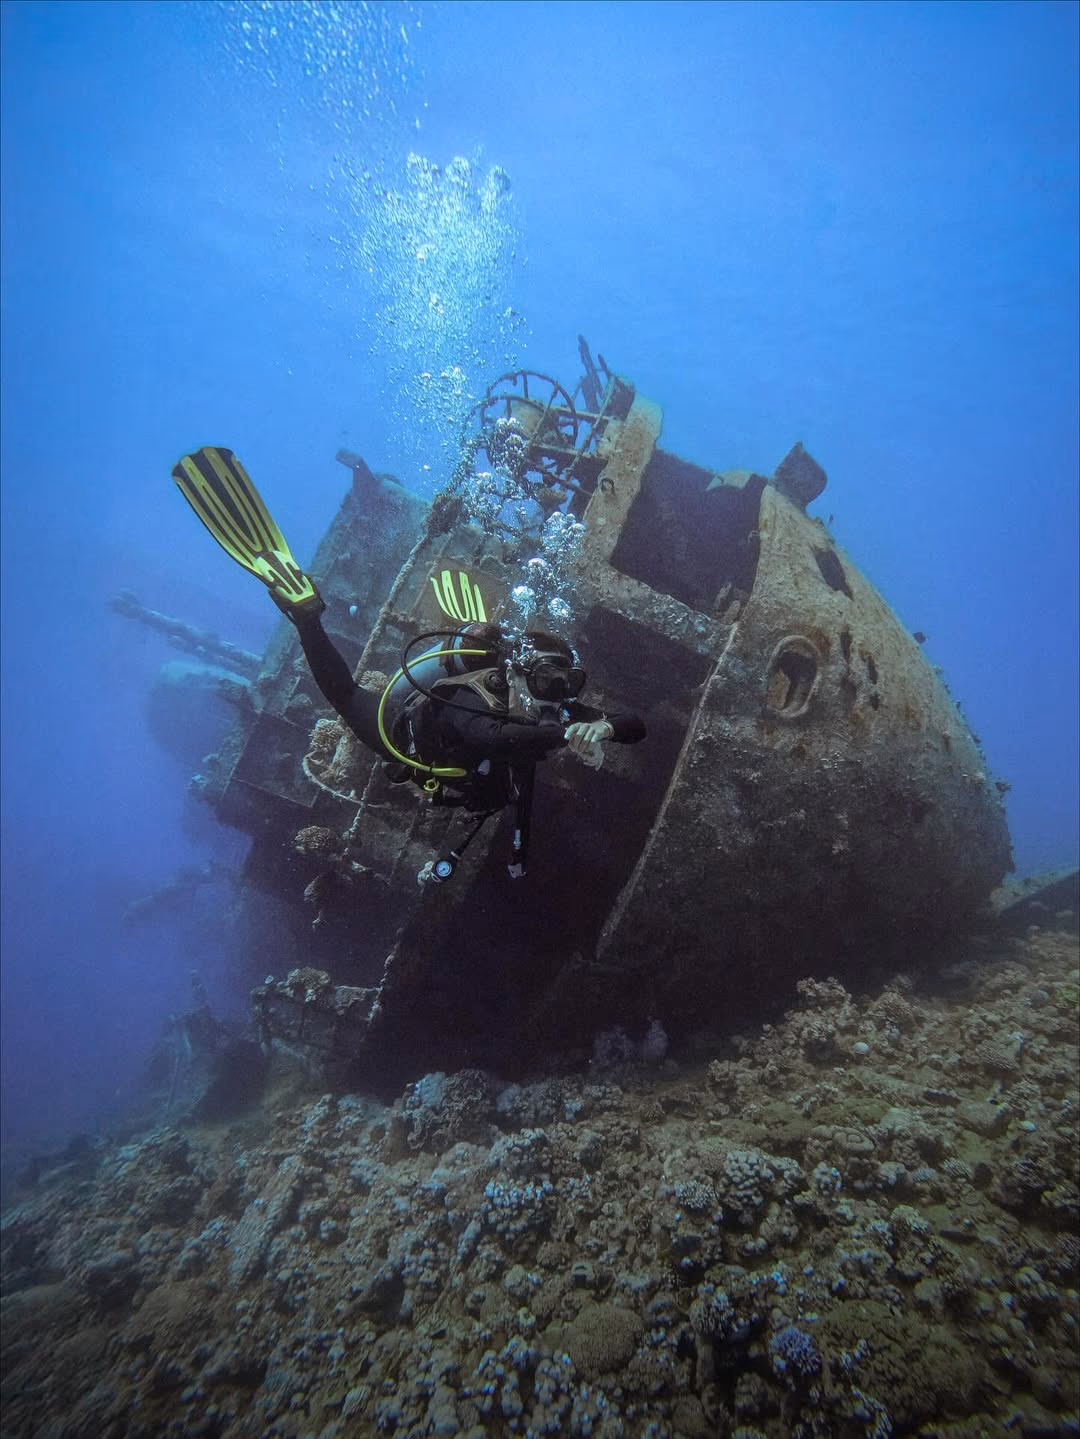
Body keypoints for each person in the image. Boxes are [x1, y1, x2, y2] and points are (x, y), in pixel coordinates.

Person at [171, 446, 646, 879]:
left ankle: (308, 617)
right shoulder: (476, 694)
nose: (556, 691)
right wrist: (566, 734)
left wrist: (601, 728)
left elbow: (635, 725)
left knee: (505, 788)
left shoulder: (553, 708)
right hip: (403, 732)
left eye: (567, 682)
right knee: (344, 696)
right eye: (545, 678)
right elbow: (490, 736)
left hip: (471, 771)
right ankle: (307, 616)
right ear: (520, 668)